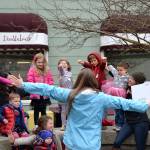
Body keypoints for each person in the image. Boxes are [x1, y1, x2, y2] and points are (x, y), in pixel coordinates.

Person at [9, 68, 150, 150]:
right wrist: (145, 104)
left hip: (73, 143)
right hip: (92, 144)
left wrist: (24, 85)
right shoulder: (101, 97)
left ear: (79, 80)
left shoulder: (71, 95)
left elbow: (47, 89)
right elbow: (125, 103)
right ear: (93, 82)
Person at [112, 72, 150, 150]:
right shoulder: (126, 90)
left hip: (141, 123)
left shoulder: (143, 91)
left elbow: (142, 105)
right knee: (117, 142)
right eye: (129, 78)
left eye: (131, 79)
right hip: (129, 122)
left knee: (140, 147)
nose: (129, 80)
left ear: (137, 81)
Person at [78, 51, 114, 127]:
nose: (93, 62)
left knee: (102, 106)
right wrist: (83, 63)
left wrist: (104, 61)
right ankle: (96, 121)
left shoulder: (100, 66)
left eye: (94, 60)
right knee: (94, 106)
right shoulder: (92, 67)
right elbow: (87, 65)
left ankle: (103, 122)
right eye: (91, 61)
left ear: (98, 60)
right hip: (93, 89)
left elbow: (103, 65)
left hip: (101, 89)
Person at [27, 53, 54, 127]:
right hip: (36, 94)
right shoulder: (32, 70)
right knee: (36, 110)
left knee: (43, 111)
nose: (40, 64)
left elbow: (50, 80)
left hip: (44, 94)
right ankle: (36, 125)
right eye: (39, 62)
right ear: (35, 62)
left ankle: (44, 125)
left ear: (44, 62)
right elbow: (30, 80)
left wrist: (49, 87)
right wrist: (35, 88)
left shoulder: (47, 70)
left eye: (42, 62)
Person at [102, 62, 129, 131]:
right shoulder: (116, 74)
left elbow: (130, 85)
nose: (119, 72)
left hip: (122, 95)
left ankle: (121, 125)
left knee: (121, 111)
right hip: (115, 95)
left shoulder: (127, 77)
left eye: (121, 70)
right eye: (118, 70)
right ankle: (117, 124)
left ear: (126, 70)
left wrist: (128, 90)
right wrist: (105, 62)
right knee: (116, 111)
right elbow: (112, 69)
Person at [58, 58, 73, 130]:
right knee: (63, 110)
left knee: (70, 110)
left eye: (65, 63)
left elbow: (71, 84)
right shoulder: (61, 73)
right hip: (63, 93)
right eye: (62, 63)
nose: (63, 64)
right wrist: (60, 67)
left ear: (68, 66)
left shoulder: (70, 74)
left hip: (70, 93)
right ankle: (63, 125)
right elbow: (61, 70)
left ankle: (69, 124)